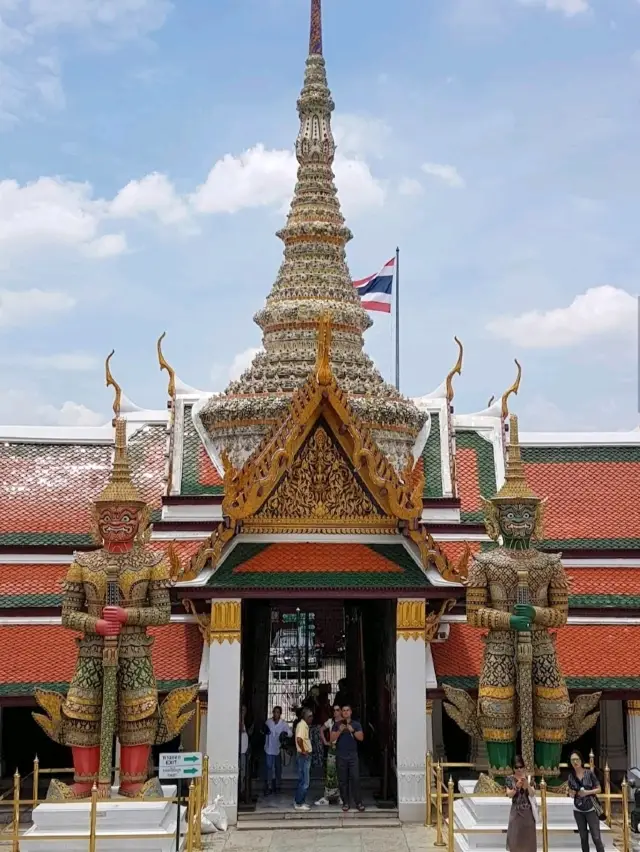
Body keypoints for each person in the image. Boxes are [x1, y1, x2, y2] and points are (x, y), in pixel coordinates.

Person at [567, 750, 605, 852]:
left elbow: (599, 789)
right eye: (572, 760)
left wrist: (587, 792)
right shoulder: (571, 776)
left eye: (577, 759)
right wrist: (571, 794)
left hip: (591, 808)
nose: (575, 762)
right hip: (578, 809)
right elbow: (571, 792)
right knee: (583, 838)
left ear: (581, 760)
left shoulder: (589, 773)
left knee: (596, 837)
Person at [331, 705, 364, 812]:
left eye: (347, 710)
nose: (345, 712)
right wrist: (339, 731)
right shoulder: (337, 725)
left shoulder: (356, 724)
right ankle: (345, 803)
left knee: (355, 779)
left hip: (353, 756)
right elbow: (331, 739)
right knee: (342, 781)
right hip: (341, 756)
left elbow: (361, 738)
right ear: (341, 713)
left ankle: (358, 802)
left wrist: (352, 731)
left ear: (350, 712)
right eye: (343, 710)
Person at [505, 755, 537, 852]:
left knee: (528, 838)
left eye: (521, 767)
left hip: (528, 812)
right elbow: (509, 794)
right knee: (515, 837)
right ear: (513, 768)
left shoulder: (529, 778)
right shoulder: (510, 779)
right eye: (516, 767)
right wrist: (517, 787)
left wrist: (527, 786)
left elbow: (532, 794)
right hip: (516, 812)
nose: (519, 769)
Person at [315, 704, 342, 806]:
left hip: (342, 750)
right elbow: (321, 729)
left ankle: (340, 796)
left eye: (337, 710)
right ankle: (327, 796)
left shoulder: (344, 722)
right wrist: (325, 741)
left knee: (341, 773)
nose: (335, 712)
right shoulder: (330, 721)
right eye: (334, 710)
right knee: (330, 773)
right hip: (332, 748)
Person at [263, 706, 291, 796]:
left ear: (280, 714)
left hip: (278, 749)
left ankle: (278, 786)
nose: (276, 714)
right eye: (275, 712)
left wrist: (285, 733)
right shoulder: (268, 722)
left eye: (278, 712)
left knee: (278, 768)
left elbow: (290, 733)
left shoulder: (283, 724)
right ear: (273, 713)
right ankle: (269, 786)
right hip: (268, 749)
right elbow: (263, 731)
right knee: (269, 768)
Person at [294, 707, 313, 811]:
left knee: (303, 780)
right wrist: (303, 750)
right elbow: (299, 739)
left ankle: (301, 801)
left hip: (303, 755)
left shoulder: (304, 725)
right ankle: (299, 803)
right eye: (310, 716)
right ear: (305, 716)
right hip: (303, 756)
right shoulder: (302, 725)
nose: (312, 718)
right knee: (305, 781)